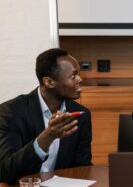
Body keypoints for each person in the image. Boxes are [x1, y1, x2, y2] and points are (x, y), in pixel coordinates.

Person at [0, 48, 92, 184]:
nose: (80, 79)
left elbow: (82, 167)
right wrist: (48, 136)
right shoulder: (10, 112)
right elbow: (6, 172)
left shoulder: (81, 115)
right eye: (73, 76)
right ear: (49, 82)